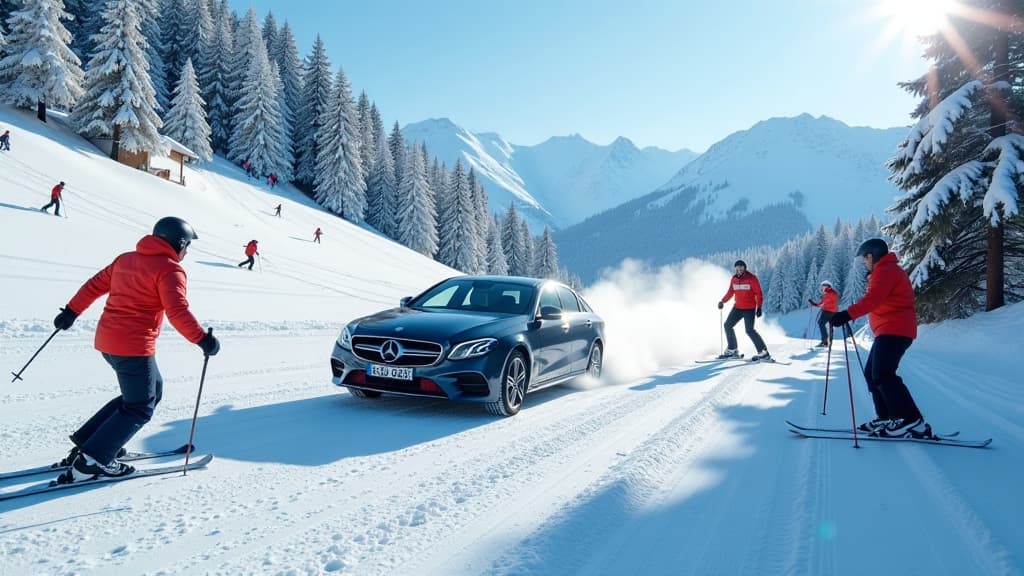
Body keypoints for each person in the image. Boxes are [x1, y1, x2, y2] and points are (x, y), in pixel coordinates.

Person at [51, 217, 220, 482]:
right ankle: (92, 461)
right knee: (140, 406)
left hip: (108, 342)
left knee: (150, 391)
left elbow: (94, 285)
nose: (187, 252)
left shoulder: (126, 259)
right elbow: (177, 311)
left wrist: (71, 312)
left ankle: (89, 445)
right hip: (133, 347)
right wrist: (202, 340)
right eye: (187, 246)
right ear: (179, 243)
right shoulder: (170, 269)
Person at [829, 238, 930, 438]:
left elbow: (872, 300)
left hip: (896, 330)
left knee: (884, 374)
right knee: (872, 374)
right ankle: (887, 416)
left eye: (865, 258)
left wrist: (846, 314)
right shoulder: (884, 271)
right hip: (888, 330)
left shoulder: (886, 271)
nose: (864, 262)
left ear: (872, 255)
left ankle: (911, 419)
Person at [718, 260, 770, 361]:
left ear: (744, 268)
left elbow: (758, 293)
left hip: (749, 309)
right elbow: (730, 292)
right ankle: (732, 349)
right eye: (737, 269)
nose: (739, 271)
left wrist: (759, 307)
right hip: (737, 307)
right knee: (727, 325)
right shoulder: (734, 279)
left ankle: (763, 353)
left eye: (741, 269)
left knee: (749, 330)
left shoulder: (752, 278)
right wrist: (722, 301)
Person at [808, 280, 839, 347]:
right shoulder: (831, 293)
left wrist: (813, 304)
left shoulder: (828, 294)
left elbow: (822, 304)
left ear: (827, 286)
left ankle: (825, 341)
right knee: (830, 325)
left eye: (823, 286)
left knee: (821, 323)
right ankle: (828, 341)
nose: (822, 288)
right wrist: (815, 304)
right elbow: (824, 303)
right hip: (833, 311)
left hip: (827, 312)